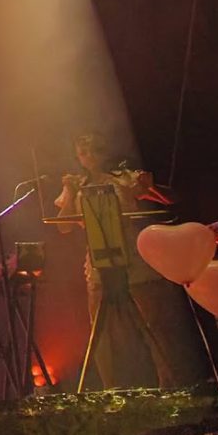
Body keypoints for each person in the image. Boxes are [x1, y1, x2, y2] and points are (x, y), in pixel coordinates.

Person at [52, 130, 191, 390]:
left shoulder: (123, 179)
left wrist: (149, 185)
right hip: (99, 260)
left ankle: (169, 382)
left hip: (131, 257)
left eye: (94, 151)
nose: (89, 157)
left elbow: (170, 199)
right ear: (78, 157)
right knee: (100, 328)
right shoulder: (77, 185)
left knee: (152, 322)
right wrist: (69, 193)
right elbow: (64, 227)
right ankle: (110, 387)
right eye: (83, 153)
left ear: (104, 152)